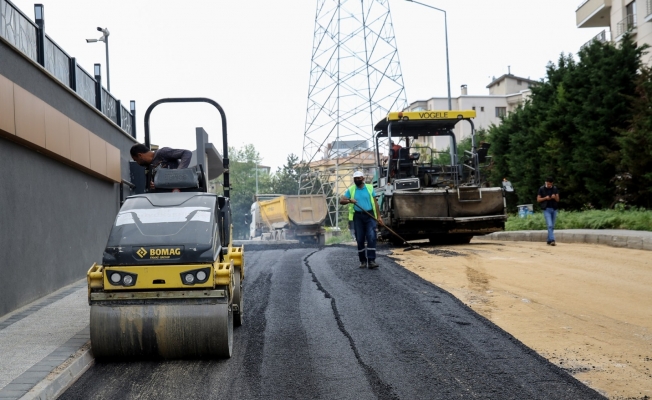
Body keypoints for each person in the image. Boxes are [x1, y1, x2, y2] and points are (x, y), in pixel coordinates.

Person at [340, 171, 383, 269]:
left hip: (370, 215)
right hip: (358, 217)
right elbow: (341, 201)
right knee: (360, 239)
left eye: (359, 178)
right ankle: (363, 261)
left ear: (363, 178)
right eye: (355, 179)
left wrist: (379, 217)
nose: (357, 180)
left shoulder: (370, 188)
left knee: (371, 236)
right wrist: (350, 200)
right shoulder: (351, 190)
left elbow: (376, 203)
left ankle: (371, 260)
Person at [537, 176, 560, 246]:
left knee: (552, 226)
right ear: (546, 182)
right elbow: (538, 199)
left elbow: (558, 199)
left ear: (552, 183)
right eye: (548, 184)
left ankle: (549, 240)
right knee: (549, 225)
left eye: (550, 184)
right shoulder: (541, 189)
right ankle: (552, 240)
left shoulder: (555, 188)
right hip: (546, 209)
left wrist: (554, 197)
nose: (549, 185)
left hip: (554, 208)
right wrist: (545, 198)